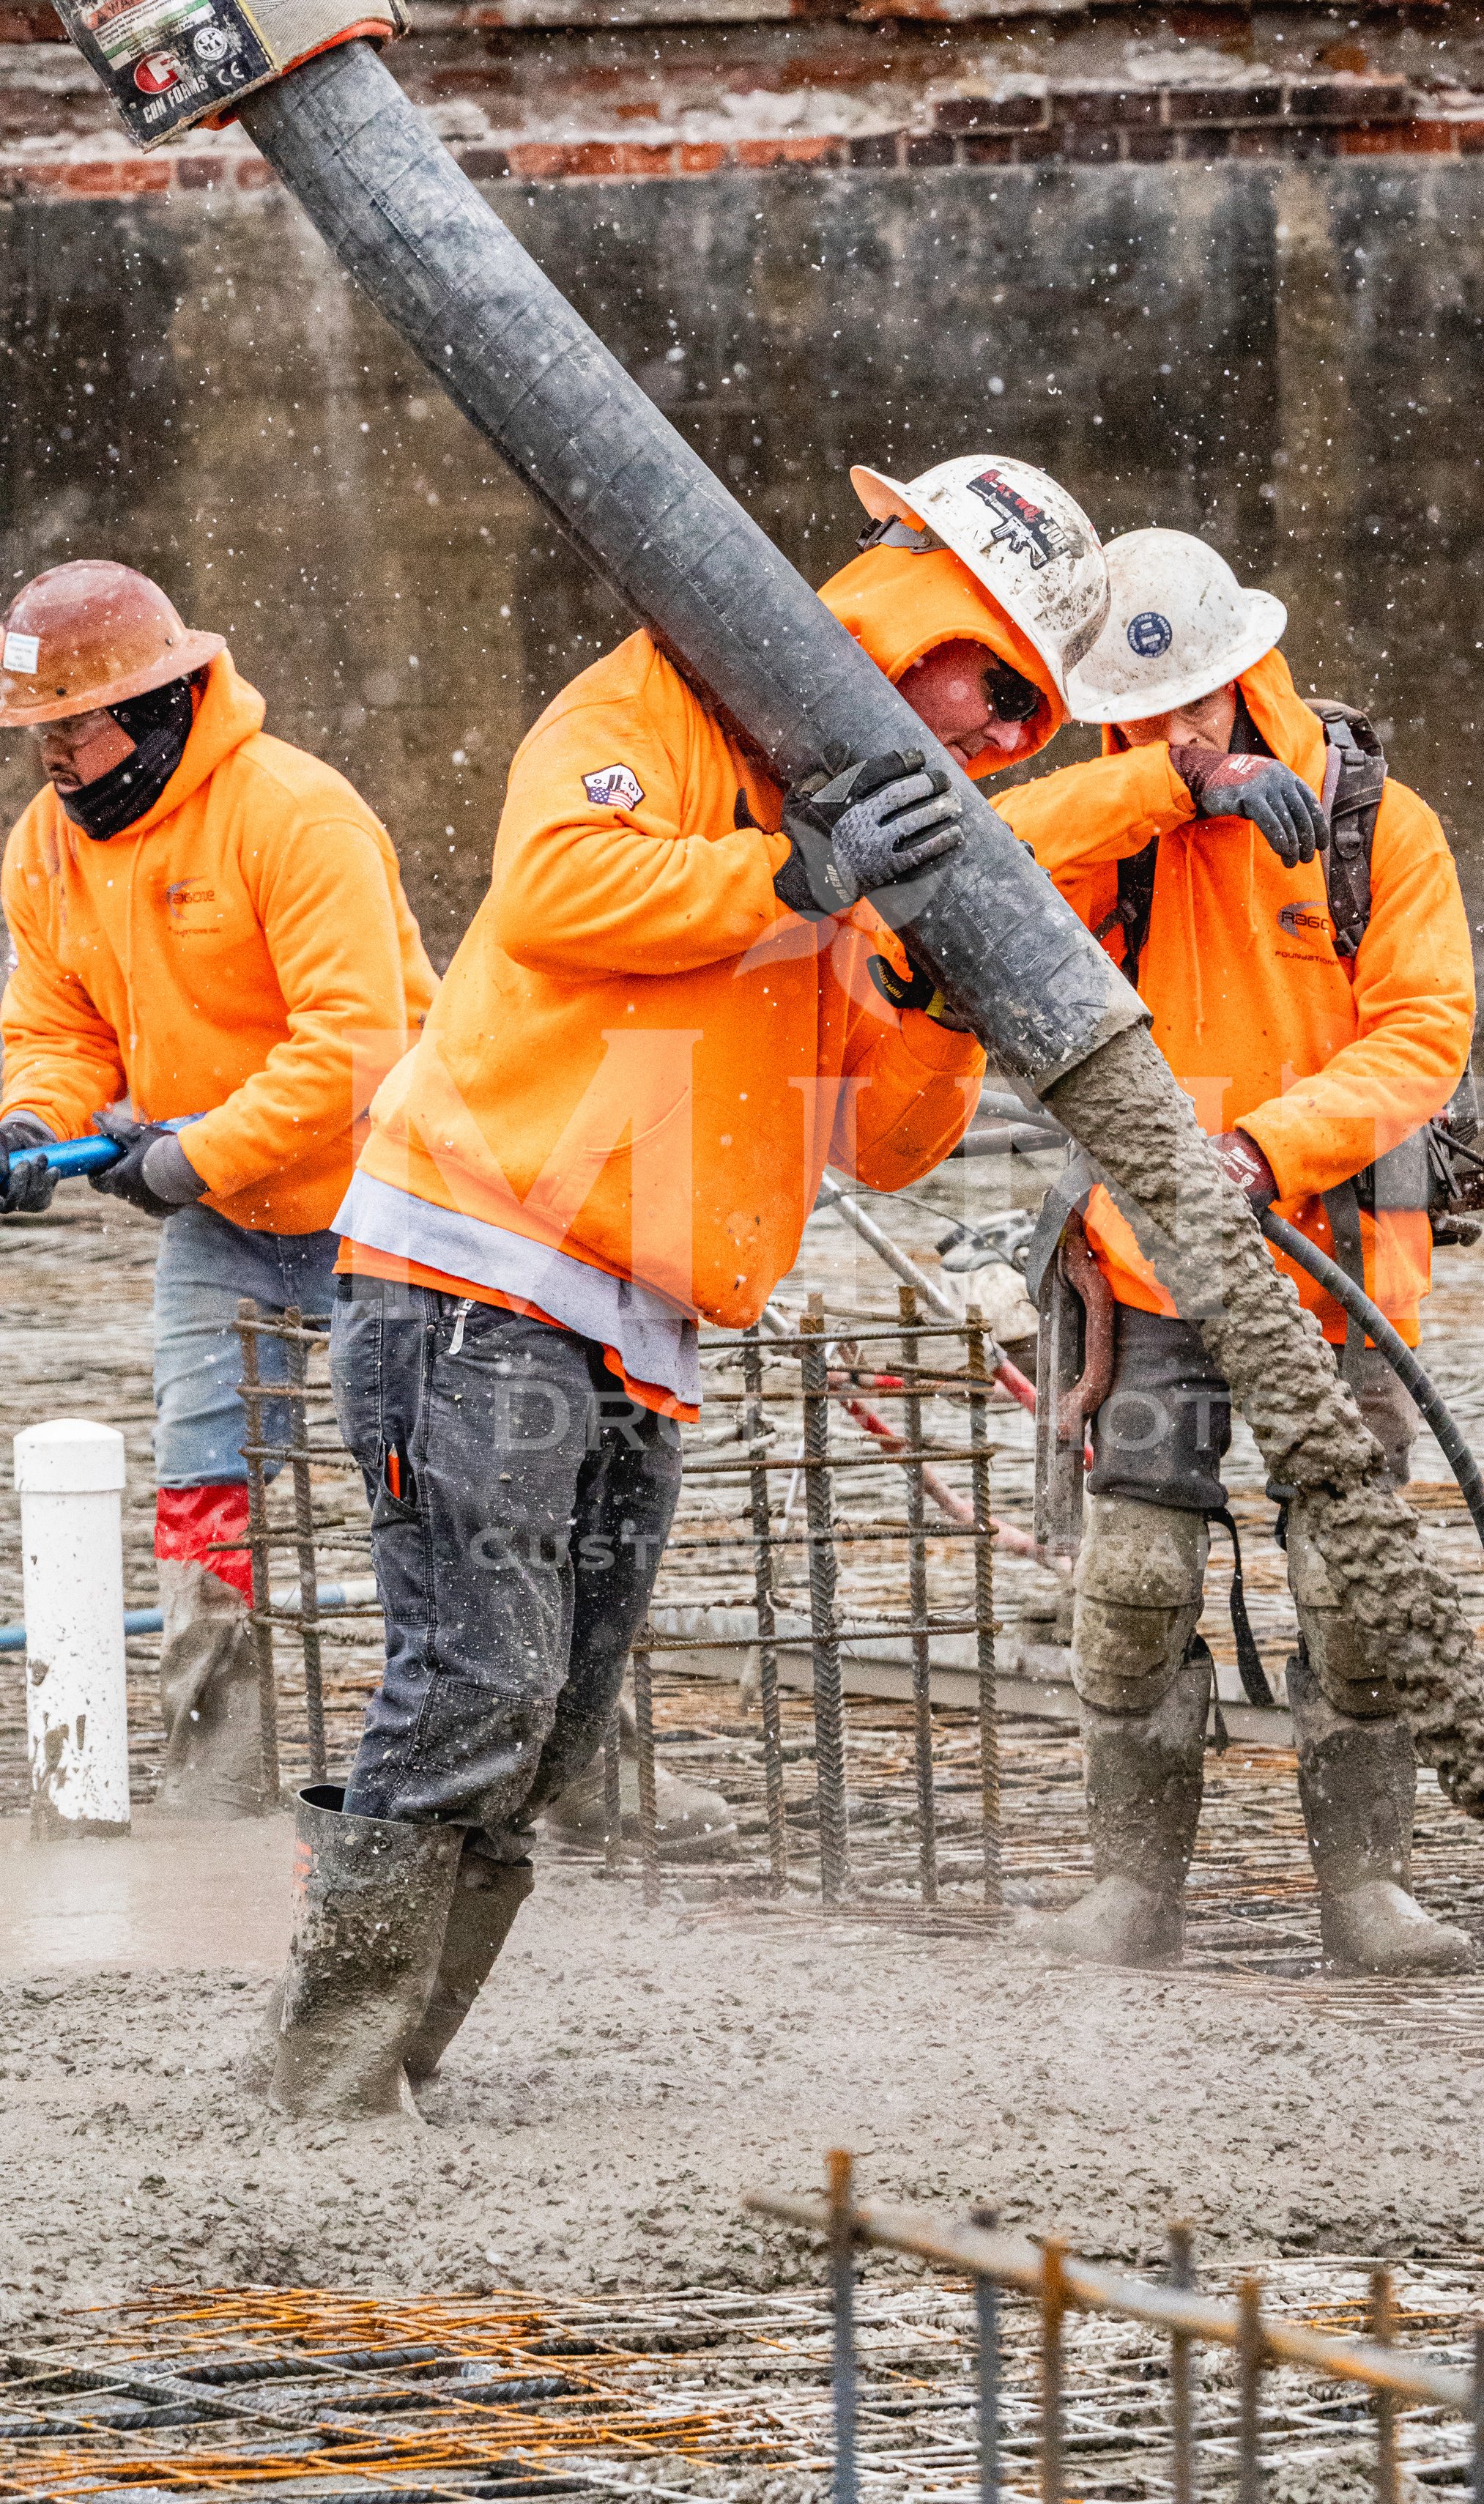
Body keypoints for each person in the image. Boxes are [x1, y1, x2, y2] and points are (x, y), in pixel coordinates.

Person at [268, 453, 1107, 2121]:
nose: (1004, 736)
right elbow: (559, 890)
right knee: (476, 1677)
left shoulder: (868, 832)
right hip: (473, 1270)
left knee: (555, 1725)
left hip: (636, 1324)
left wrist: (936, 1004)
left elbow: (877, 1140)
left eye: (1031, 718)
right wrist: (793, 878)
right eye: (997, 683)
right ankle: (329, 2075)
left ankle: (392, 2059)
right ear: (915, 608)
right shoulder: (655, 700)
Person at [991, 527, 1478, 1972]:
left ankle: (1362, 1892)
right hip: (1146, 1279)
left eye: (1189, 709)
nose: (1166, 728)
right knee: (1131, 1579)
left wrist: (1268, 1149)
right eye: (1135, 719)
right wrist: (1165, 786)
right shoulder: (1118, 825)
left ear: (1247, 670)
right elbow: (993, 891)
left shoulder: (1375, 826)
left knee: (1349, 1580)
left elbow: (1420, 1038)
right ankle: (1132, 1888)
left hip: (1328, 1274)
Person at [0, 560, 434, 1818]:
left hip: (392, 1205)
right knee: (206, 1492)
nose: (51, 762)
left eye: (69, 729)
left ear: (161, 700)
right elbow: (58, 1029)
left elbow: (357, 1043)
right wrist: (36, 1122)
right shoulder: (46, 853)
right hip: (226, 1225)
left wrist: (187, 1155)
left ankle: (503, 1769)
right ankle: (214, 1794)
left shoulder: (295, 815)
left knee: (443, 1494)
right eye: (36, 735)